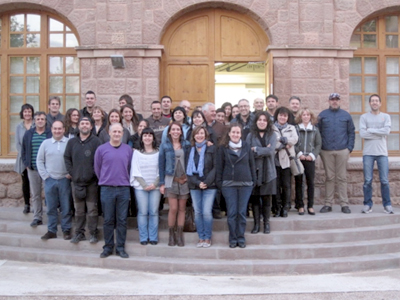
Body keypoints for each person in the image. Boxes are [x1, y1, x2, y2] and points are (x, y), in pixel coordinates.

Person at [94, 123, 133, 259]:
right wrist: (107, 180)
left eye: (119, 132)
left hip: (123, 189)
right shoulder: (101, 149)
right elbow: (98, 168)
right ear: (109, 133)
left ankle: (120, 248)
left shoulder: (128, 150)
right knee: (108, 220)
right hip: (107, 189)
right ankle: (108, 247)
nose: (116, 134)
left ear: (122, 133)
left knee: (122, 220)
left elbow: (130, 168)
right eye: (114, 131)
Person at [216, 123, 256, 248]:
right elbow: (219, 167)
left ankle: (241, 237)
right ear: (229, 133)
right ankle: (233, 238)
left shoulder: (246, 147)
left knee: (242, 212)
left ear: (241, 134)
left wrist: (253, 181)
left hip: (245, 185)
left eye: (238, 132)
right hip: (229, 185)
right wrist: (220, 184)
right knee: (232, 212)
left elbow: (252, 165)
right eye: (233, 132)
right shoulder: (223, 148)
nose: (235, 134)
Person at [64, 117, 102, 244]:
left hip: (92, 183)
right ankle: (79, 233)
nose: (84, 125)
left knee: (92, 209)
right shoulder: (72, 142)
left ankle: (93, 233)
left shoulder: (96, 142)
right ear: (78, 126)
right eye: (82, 123)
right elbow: (67, 158)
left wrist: (94, 174)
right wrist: (73, 173)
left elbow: (100, 160)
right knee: (78, 210)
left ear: (91, 126)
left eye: (87, 123)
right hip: (77, 182)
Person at [318, 93, 355, 214]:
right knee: (329, 177)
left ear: (340, 101)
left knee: (342, 177)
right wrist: (319, 149)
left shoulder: (346, 115)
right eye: (332, 100)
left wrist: (349, 148)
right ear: (328, 101)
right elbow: (317, 133)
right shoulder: (322, 115)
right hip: (326, 151)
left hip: (342, 150)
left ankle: (344, 204)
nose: (334, 102)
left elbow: (351, 132)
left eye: (336, 100)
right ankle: (328, 204)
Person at [36, 121, 72, 240]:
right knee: (51, 207)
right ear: (51, 129)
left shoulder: (69, 142)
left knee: (66, 207)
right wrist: (45, 176)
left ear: (63, 129)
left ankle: (66, 230)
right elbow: (39, 160)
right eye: (55, 129)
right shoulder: (45, 143)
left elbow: (75, 159)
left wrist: (70, 173)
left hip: (64, 180)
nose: (57, 131)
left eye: (59, 129)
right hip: (50, 180)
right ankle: (52, 230)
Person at [360, 94, 393, 214]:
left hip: (382, 153)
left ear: (380, 103)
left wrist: (371, 130)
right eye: (372, 101)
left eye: (376, 101)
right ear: (369, 103)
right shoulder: (364, 117)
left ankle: (387, 205)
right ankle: (367, 205)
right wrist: (379, 133)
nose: (374, 103)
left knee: (384, 180)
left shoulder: (386, 116)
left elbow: (387, 131)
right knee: (367, 180)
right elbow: (363, 134)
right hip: (368, 153)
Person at [159, 122, 191, 247]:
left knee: (182, 208)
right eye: (173, 129)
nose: (176, 131)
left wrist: (189, 177)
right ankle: (171, 234)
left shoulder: (187, 145)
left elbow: (191, 160)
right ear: (169, 132)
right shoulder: (164, 145)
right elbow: (161, 164)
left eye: (178, 129)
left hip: (184, 180)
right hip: (170, 179)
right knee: (173, 208)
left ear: (181, 132)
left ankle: (179, 234)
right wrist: (162, 183)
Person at [186, 126, 217, 248]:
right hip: (195, 186)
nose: (199, 135)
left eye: (202, 133)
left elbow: (216, 167)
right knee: (198, 212)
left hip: (210, 186)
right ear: (194, 136)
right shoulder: (189, 150)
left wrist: (206, 182)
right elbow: (188, 170)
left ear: (206, 135)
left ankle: (207, 237)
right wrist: (197, 183)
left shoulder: (212, 148)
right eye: (197, 133)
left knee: (206, 212)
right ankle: (201, 237)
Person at [246, 111, 277, 234]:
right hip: (254, 171)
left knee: (266, 198)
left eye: (264, 120)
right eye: (260, 120)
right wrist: (263, 150)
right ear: (256, 121)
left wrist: (257, 149)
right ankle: (256, 224)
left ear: (267, 122)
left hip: (268, 171)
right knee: (255, 199)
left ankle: (266, 223)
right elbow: (248, 152)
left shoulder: (272, 135)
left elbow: (271, 151)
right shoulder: (250, 136)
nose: (262, 122)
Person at [130, 128, 160, 245]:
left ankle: (153, 237)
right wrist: (144, 185)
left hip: (155, 187)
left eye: (150, 135)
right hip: (141, 188)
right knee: (142, 212)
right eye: (145, 135)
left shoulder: (158, 152)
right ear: (141, 138)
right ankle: (143, 237)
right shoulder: (137, 153)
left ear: (153, 138)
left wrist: (154, 184)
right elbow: (135, 170)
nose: (147, 137)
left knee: (153, 211)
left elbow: (160, 170)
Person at [21, 111, 52, 227]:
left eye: (42, 119)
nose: (40, 121)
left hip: (47, 169)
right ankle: (37, 217)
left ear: (45, 121)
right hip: (33, 168)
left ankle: (51, 216)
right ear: (35, 121)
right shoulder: (29, 134)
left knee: (49, 194)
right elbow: (23, 150)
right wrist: (26, 163)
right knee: (35, 194)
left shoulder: (49, 133)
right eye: (38, 119)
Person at [294, 108, 321, 215]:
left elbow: (318, 144)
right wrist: (299, 154)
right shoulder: (296, 129)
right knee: (299, 182)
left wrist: (312, 155)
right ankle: (300, 205)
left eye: (307, 115)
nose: (306, 116)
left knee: (310, 182)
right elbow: (294, 143)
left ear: (311, 116)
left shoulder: (315, 129)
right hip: (299, 159)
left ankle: (310, 205)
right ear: (300, 117)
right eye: (303, 115)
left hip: (310, 159)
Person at [273, 107, 298, 218]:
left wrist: (282, 140)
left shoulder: (291, 128)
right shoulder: (271, 127)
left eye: (285, 116)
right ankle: (277, 208)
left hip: (286, 160)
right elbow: (272, 142)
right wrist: (284, 143)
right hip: (274, 160)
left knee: (286, 185)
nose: (282, 117)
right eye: (280, 115)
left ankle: (285, 208)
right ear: (277, 116)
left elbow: (294, 140)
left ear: (287, 117)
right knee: (276, 185)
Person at [14, 103, 35, 214]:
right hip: (23, 159)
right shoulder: (19, 126)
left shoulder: (36, 125)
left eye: (29, 111)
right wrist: (25, 159)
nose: (27, 113)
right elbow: (17, 144)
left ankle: (37, 205)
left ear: (32, 112)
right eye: (25, 111)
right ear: (22, 113)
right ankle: (27, 204)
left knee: (36, 182)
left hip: (35, 157)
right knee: (25, 182)